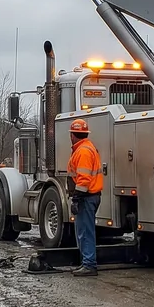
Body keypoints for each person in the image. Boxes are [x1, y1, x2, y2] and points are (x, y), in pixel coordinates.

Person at [67, 118, 103, 277]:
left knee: (85, 231)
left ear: (73, 135)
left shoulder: (83, 151)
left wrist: (76, 198)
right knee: (83, 230)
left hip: (86, 197)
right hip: (89, 196)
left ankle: (89, 264)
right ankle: (86, 262)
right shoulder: (87, 148)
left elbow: (84, 179)